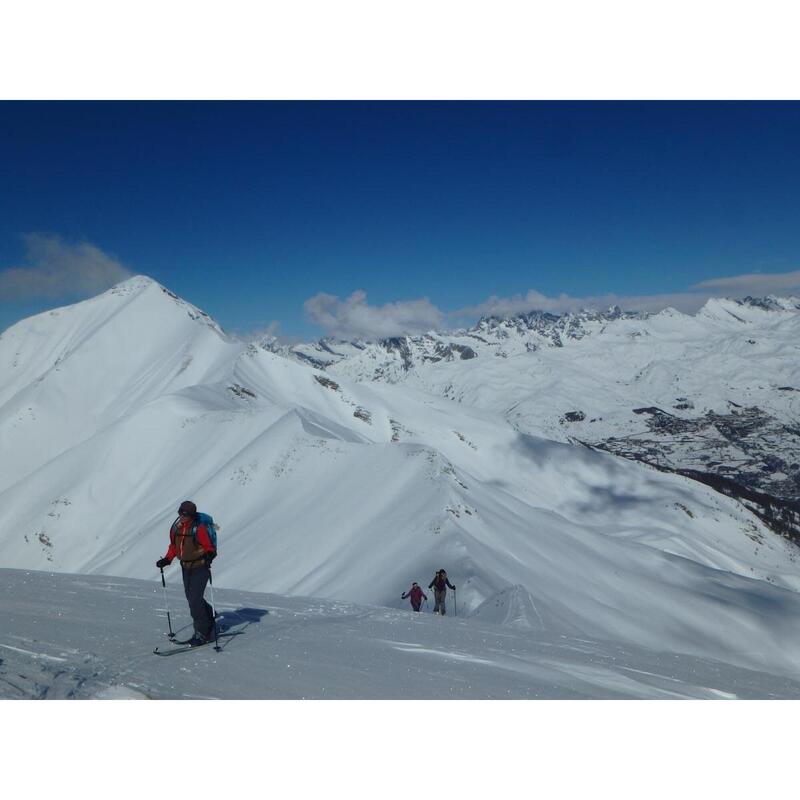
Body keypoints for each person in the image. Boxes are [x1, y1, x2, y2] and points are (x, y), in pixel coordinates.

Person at [156, 500, 217, 646]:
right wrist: (167, 559)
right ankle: (209, 617)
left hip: (200, 567)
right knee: (192, 598)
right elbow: (174, 546)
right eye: (180, 513)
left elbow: (209, 548)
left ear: (192, 515)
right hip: (185, 567)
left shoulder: (199, 528)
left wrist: (209, 555)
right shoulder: (177, 528)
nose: (182, 516)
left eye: (185, 514)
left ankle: (202, 633)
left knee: (194, 601)